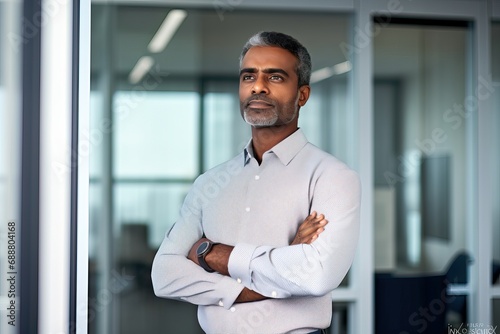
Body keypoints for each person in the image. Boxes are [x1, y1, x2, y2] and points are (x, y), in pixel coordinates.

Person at [151, 31, 361, 334]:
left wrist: (211, 254)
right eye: (249, 77)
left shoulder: (333, 177)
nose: (258, 87)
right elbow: (164, 275)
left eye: (275, 78)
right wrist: (277, 273)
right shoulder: (209, 183)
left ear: (302, 95)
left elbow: (316, 275)